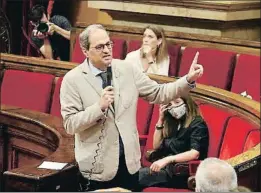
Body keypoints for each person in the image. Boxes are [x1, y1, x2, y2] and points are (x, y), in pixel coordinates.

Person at [60, 24, 203, 191]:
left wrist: (188, 79)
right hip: (97, 167)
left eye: (109, 44)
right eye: (99, 47)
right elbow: (70, 124)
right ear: (85, 51)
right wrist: (98, 107)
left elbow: (159, 92)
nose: (106, 50)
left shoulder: (126, 69)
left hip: (129, 164)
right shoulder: (72, 80)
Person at [139, 95, 209, 189]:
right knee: (132, 175)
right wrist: (161, 120)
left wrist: (167, 159)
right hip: (167, 170)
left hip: (182, 174)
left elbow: (194, 153)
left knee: (138, 177)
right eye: (169, 105)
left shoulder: (198, 124)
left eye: (177, 102)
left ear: (187, 103)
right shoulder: (174, 123)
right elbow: (156, 146)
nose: (173, 107)